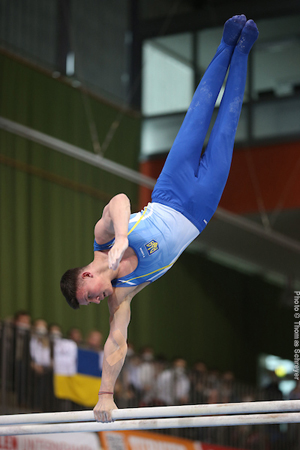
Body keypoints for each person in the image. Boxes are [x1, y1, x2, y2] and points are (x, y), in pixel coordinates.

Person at [60, 15, 259, 422]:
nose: (98, 299)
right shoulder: (122, 295)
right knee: (226, 126)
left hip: (169, 189)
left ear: (85, 275)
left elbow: (117, 199)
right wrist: (105, 394)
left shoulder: (101, 239)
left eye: (91, 293)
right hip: (199, 208)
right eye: (94, 301)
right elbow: (117, 342)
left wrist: (118, 239)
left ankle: (225, 44)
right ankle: (243, 53)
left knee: (200, 112)